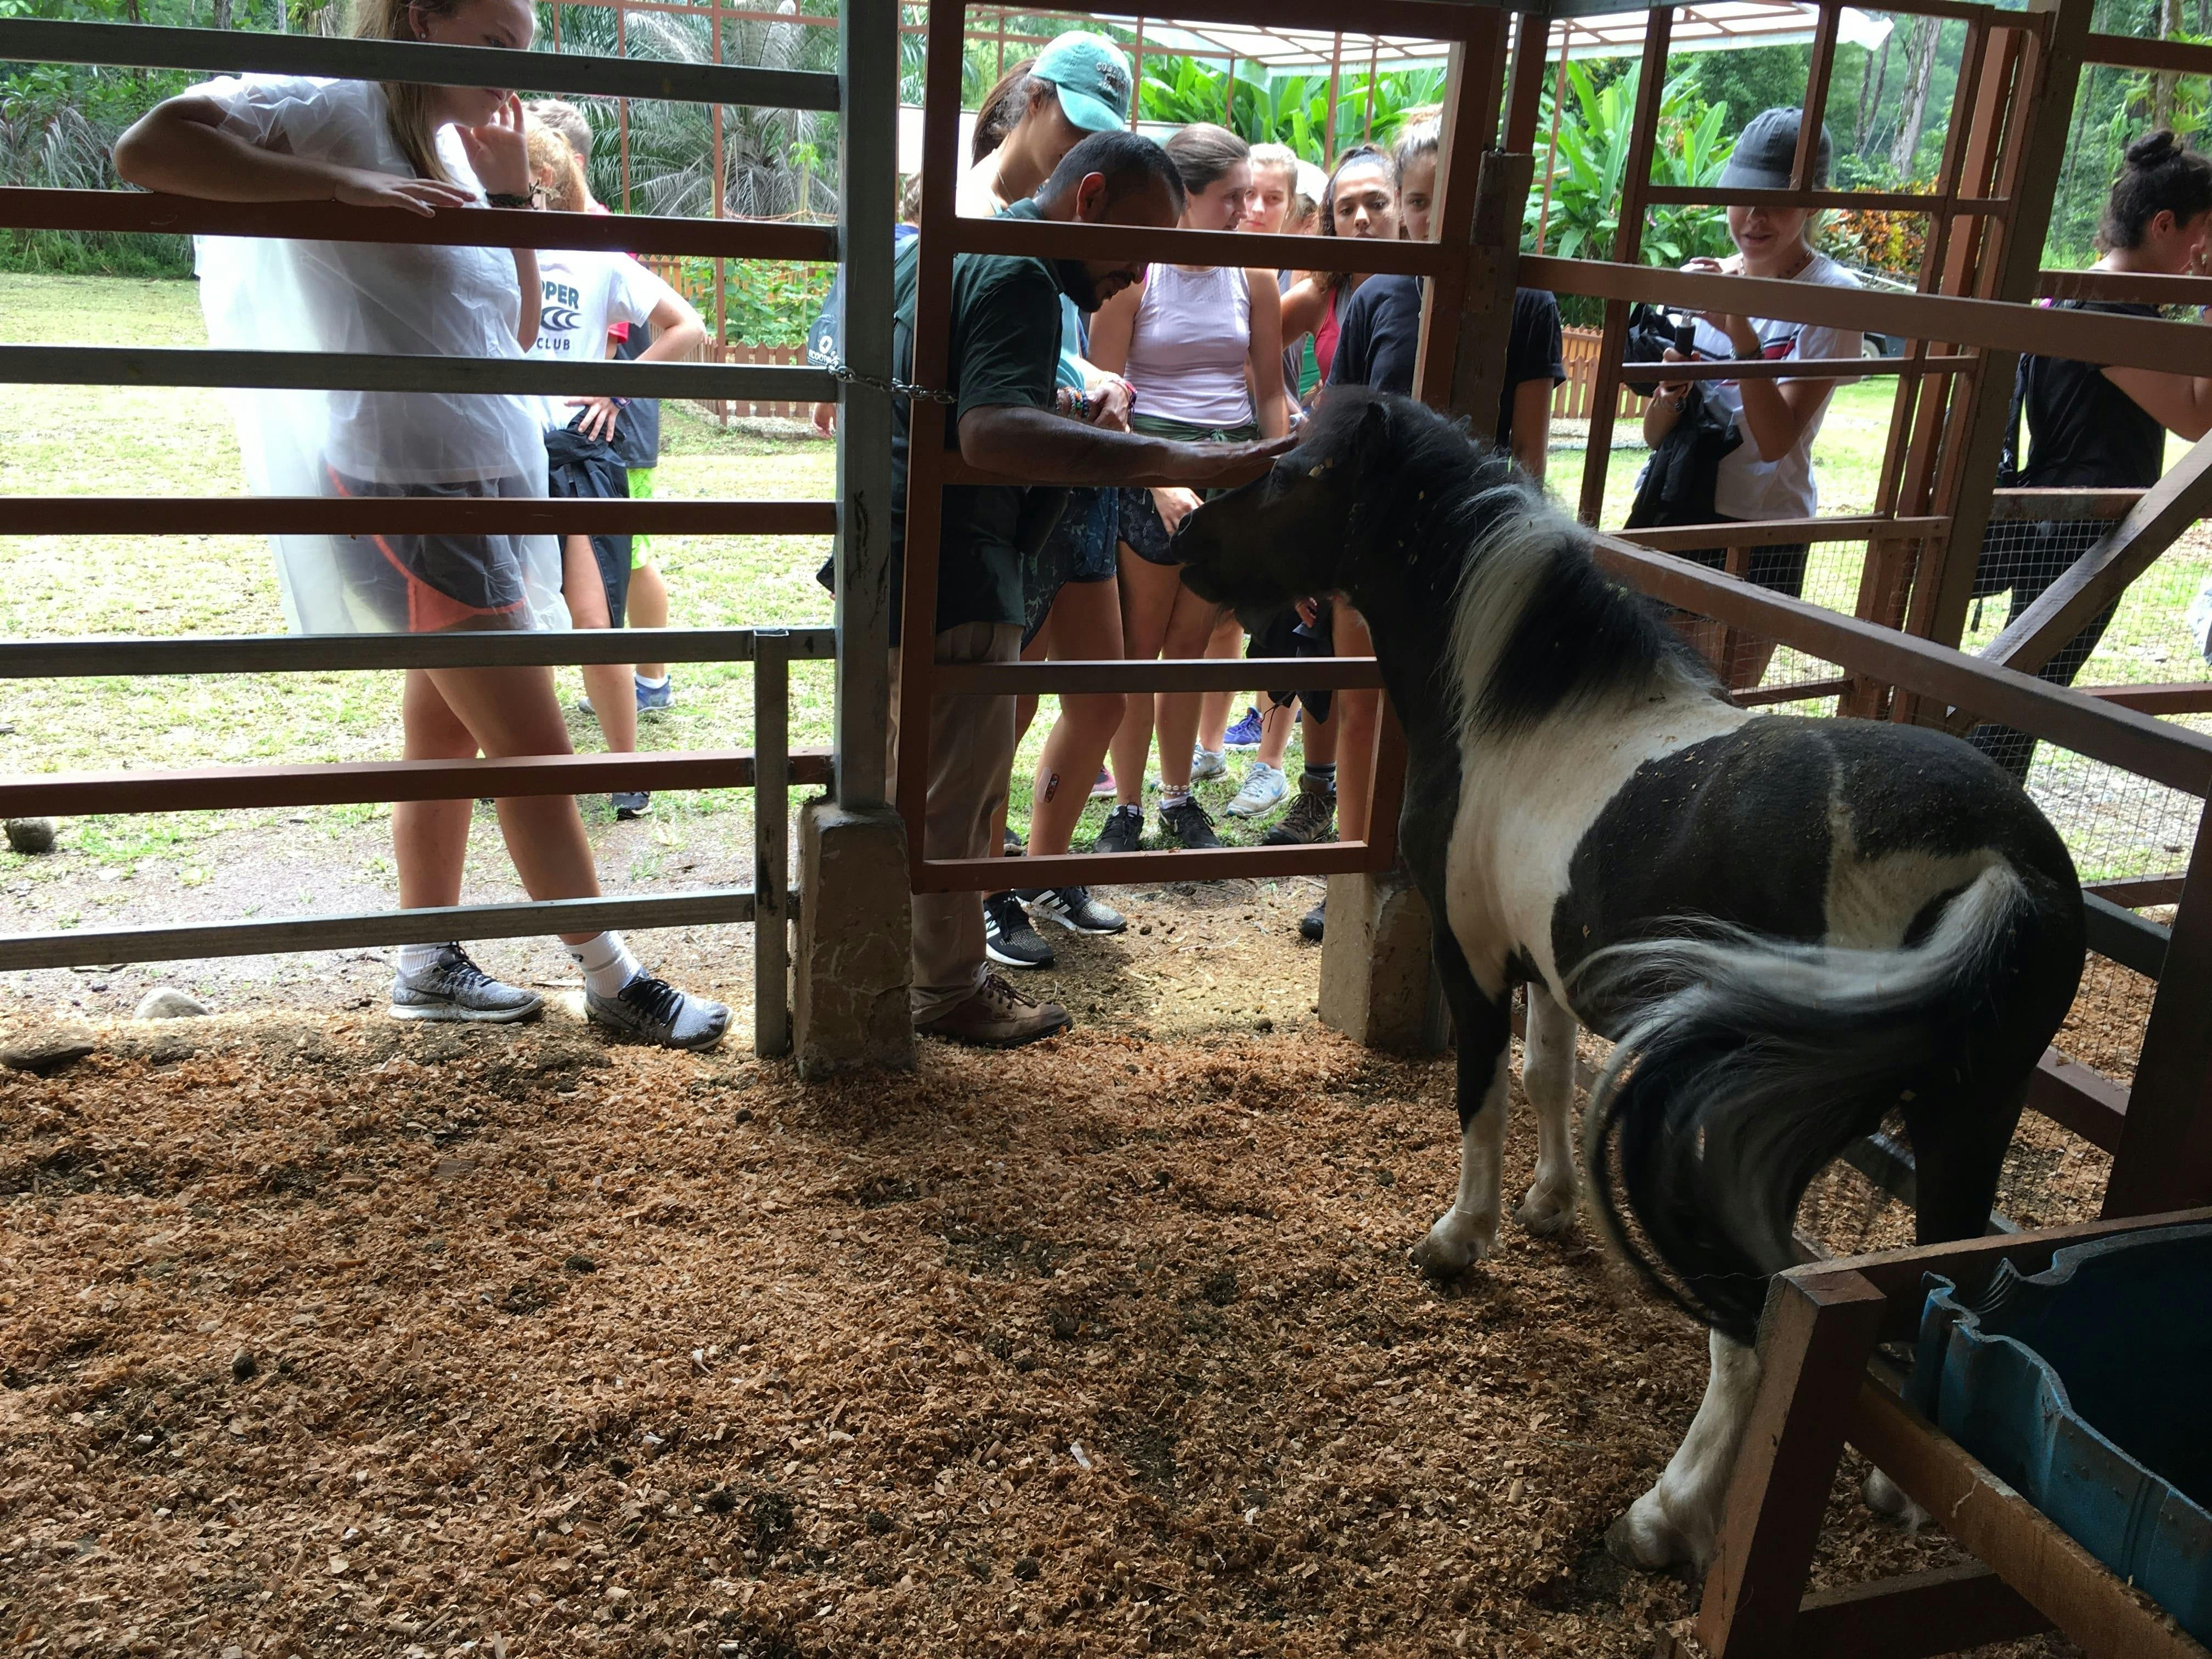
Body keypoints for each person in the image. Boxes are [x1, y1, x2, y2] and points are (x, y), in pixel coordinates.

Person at [115, 0, 729, 1049]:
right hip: (408, 487)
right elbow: (149, 146)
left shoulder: (444, 140)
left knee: (442, 735)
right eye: (493, 47)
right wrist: (334, 185)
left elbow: (518, 329)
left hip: (483, 481)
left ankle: (423, 960)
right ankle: (613, 977)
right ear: (418, 19)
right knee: (532, 747)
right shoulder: (327, 105)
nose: (510, 78)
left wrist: (501, 198)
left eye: (520, 55)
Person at [877, 128, 1288, 1046]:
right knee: (956, 790)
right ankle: (943, 990)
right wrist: (1178, 455)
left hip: (902, 551)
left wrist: (1063, 406)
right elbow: (987, 434)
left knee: (919, 776)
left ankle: (905, 968)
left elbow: (950, 400)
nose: (1137, 274)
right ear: (1088, 198)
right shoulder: (1023, 275)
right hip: (958, 560)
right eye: (1136, 245)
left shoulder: (955, 248)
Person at [950, 41, 1142, 974]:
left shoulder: (1063, 222)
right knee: (1006, 701)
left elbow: (1051, 343)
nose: (1085, 150)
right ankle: (986, 887)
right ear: (1031, 102)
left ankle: (1044, 862)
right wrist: (1077, 389)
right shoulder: (963, 212)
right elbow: (971, 362)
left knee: (1097, 689)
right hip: (1011, 486)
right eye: (1075, 123)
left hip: (1070, 476)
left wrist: (1089, 377)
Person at [1965, 130, 2212, 782]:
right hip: (2078, 536)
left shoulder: (2083, 292)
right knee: (2015, 714)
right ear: (2165, 225)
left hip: (2056, 526)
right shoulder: (2115, 313)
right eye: (2204, 233)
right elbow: (2197, 414)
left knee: (2016, 702)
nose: (2203, 252)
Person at [1088, 124, 1288, 854]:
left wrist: (1268, 470)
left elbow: (1269, 388)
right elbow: (1107, 393)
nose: (1248, 211)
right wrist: (1163, 481)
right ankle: (1128, 808)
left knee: (1196, 644)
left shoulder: (1255, 274)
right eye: (1231, 198)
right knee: (1142, 647)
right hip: (1151, 470)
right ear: (1186, 198)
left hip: (1228, 473)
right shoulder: (1137, 273)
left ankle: (1178, 798)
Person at [524, 119, 706, 821]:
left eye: (540, 186)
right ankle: (516, 756)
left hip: (573, 452)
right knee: (504, 612)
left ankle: (627, 770)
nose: (530, 199)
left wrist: (615, 383)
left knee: (592, 614)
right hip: (501, 450)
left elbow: (686, 326)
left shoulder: (596, 258)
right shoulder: (485, 253)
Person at [1645, 108, 1861, 692]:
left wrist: (1739, 331)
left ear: (1813, 205)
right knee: (1670, 704)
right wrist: (1670, 389)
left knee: (1730, 706)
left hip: (1767, 525)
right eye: (1742, 197)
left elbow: (1775, 439)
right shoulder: (1700, 278)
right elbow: (1653, 435)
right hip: (1683, 507)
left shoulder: (1833, 296)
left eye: (1777, 201)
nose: (1756, 217)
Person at [1390, 120, 1564, 478]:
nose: (1436, 217)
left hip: (1477, 512)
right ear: (1400, 203)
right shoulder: (1376, 296)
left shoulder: (1531, 305)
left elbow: (1528, 454)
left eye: (1454, 200)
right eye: (1419, 202)